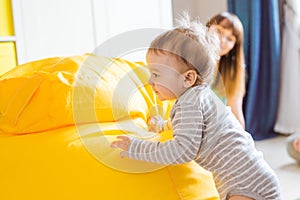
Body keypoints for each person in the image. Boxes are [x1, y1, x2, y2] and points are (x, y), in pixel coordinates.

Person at [111, 16, 281, 199]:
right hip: (251, 178)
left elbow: (182, 150)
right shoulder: (198, 97)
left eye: (156, 74)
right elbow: (187, 126)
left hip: (245, 183)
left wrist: (137, 147)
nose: (150, 81)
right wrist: (161, 126)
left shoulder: (190, 103)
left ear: (188, 78)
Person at [206, 12, 246, 129]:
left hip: (216, 130)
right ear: (207, 28)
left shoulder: (232, 71)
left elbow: (236, 112)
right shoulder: (190, 60)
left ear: (234, 47)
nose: (222, 40)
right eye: (219, 31)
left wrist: (244, 141)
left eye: (230, 39)